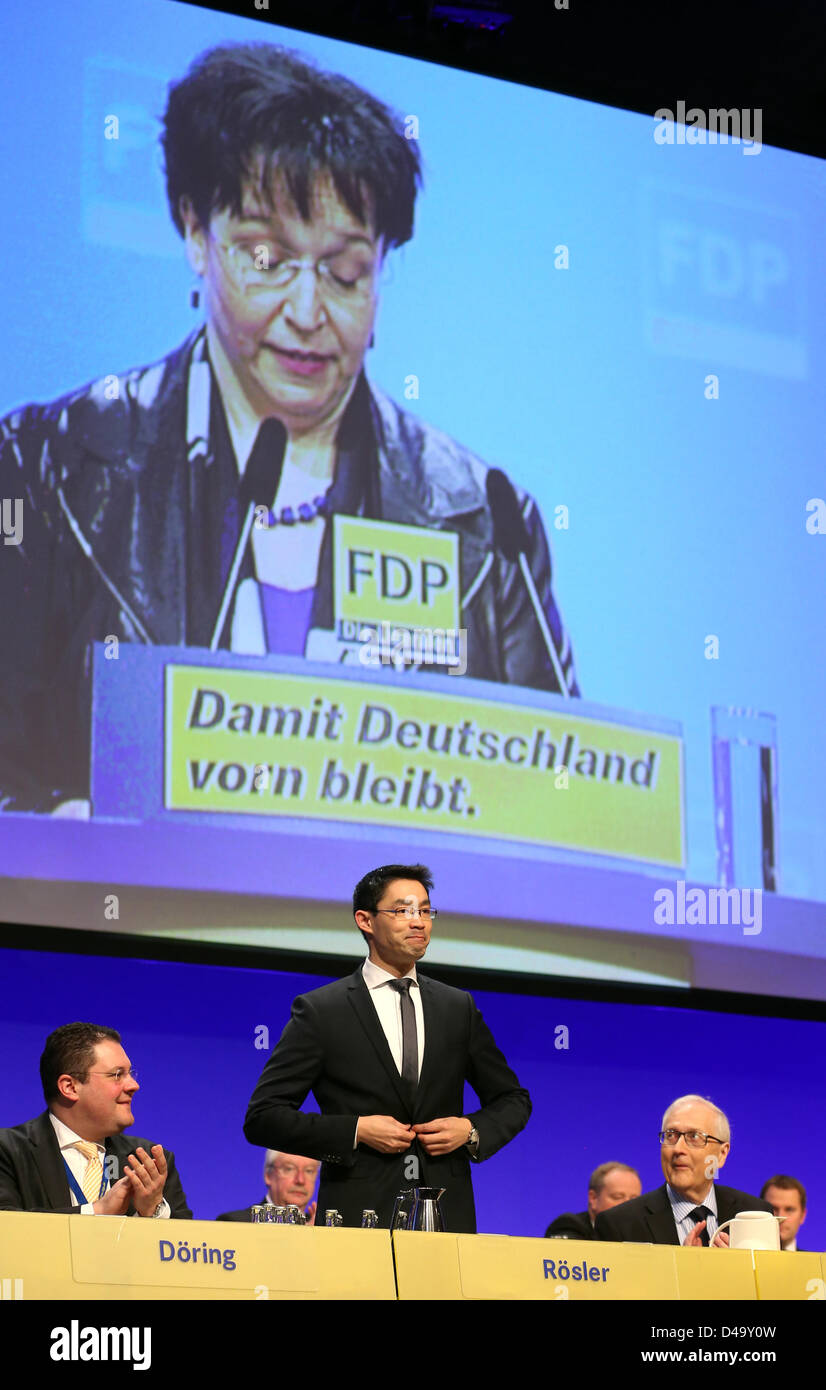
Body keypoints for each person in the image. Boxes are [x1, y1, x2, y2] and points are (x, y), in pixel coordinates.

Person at [0, 40, 579, 815]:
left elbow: (557, 813)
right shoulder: (50, 475)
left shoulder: (481, 523)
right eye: (267, 258)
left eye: (345, 274)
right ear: (195, 234)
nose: (308, 314)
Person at [244, 863, 531, 1231]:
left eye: (425, 911)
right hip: (359, 1217)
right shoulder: (322, 1010)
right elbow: (263, 1117)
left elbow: (512, 1099)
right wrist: (356, 1130)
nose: (419, 922)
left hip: (446, 1217)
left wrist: (470, 1130)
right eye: (402, 911)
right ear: (365, 920)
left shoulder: (457, 1007)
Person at [0, 1022, 191, 1217]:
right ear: (70, 1087)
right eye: (117, 1075)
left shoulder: (151, 1162)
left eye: (130, 1074)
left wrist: (152, 1211)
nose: (134, 1085)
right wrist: (96, 1211)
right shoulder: (8, 1152)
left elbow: (187, 1242)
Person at [594, 1094, 772, 1246]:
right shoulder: (619, 1224)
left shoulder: (757, 1214)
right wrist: (685, 1267)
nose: (678, 1149)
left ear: (722, 1154)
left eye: (694, 1137)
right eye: (671, 1135)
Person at [216, 1149, 320, 1223]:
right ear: (268, 1175)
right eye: (289, 1169)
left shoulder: (324, 1228)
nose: (300, 1180)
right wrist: (305, 1238)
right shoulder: (236, 1223)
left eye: (309, 1171)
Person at [545, 1161, 641, 1239]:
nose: (628, 1205)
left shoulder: (641, 1233)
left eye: (634, 1199)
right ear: (593, 1198)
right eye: (617, 1197)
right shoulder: (569, 1226)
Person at [761, 1174, 807, 1251]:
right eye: (773, 1208)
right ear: (760, 1210)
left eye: (789, 1210)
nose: (780, 1216)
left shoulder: (814, 1262)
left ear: (802, 1216)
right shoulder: (741, 1259)